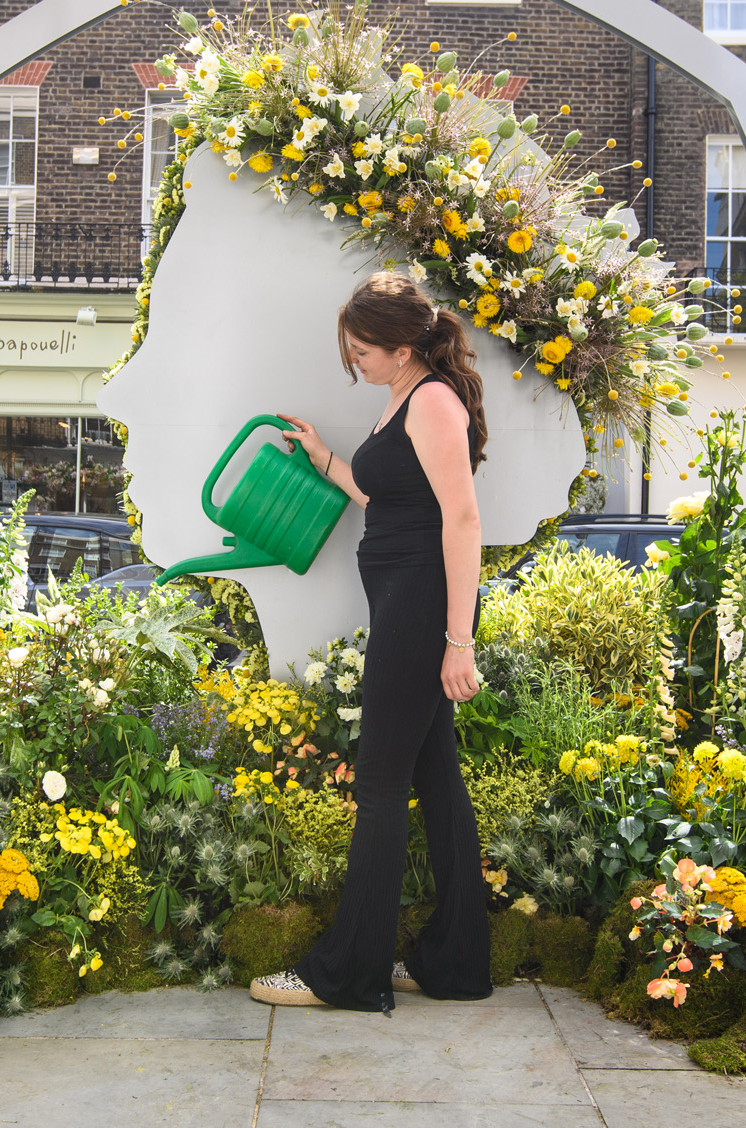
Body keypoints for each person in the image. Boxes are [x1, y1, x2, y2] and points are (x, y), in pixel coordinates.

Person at [250, 273, 493, 1014]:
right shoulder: (404, 397)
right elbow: (380, 492)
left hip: (422, 607)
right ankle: (456, 963)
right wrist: (324, 457)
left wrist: (459, 641)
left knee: (381, 782)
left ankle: (348, 974)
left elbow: (463, 521)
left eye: (361, 351)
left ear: (400, 346)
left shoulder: (436, 403)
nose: (353, 363)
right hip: (400, 596)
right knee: (435, 779)